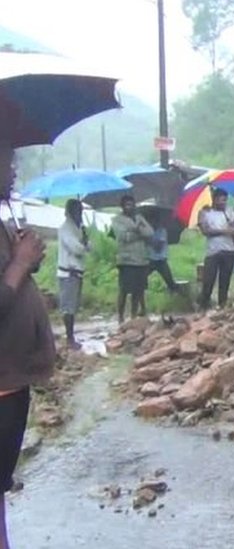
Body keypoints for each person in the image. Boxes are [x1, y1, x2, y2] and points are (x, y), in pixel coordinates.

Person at [0, 142, 55, 549]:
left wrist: (25, 259)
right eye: (7, 160)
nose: (14, 169)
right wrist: (19, 263)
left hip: (11, 382)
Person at [111, 195, 154, 324]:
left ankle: (133, 316)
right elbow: (123, 237)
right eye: (127, 205)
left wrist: (136, 230)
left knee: (138, 290)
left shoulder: (139, 217)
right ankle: (120, 317)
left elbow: (150, 233)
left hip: (141, 259)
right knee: (124, 290)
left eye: (131, 204)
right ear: (122, 206)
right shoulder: (117, 220)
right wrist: (138, 230)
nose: (129, 207)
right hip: (126, 260)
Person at [197, 188, 234, 310]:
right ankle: (204, 304)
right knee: (208, 280)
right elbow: (205, 231)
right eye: (221, 200)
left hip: (229, 250)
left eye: (225, 200)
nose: (223, 203)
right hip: (213, 251)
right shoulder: (205, 213)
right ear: (214, 199)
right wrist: (224, 231)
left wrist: (233, 234)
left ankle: (222, 304)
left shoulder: (229, 211)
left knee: (225, 281)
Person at [57, 199, 89, 350]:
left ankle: (71, 337)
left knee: (73, 306)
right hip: (68, 272)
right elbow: (76, 248)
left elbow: (88, 247)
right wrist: (83, 244)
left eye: (81, 211)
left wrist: (85, 241)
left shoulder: (79, 228)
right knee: (68, 307)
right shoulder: (65, 229)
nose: (80, 214)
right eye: (77, 211)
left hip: (76, 271)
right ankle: (70, 338)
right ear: (70, 212)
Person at [145, 209, 180, 293]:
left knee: (170, 281)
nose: (153, 223)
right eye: (151, 221)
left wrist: (149, 240)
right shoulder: (146, 231)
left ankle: (176, 293)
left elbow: (158, 247)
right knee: (140, 280)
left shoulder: (162, 230)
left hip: (161, 260)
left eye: (155, 221)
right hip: (150, 259)